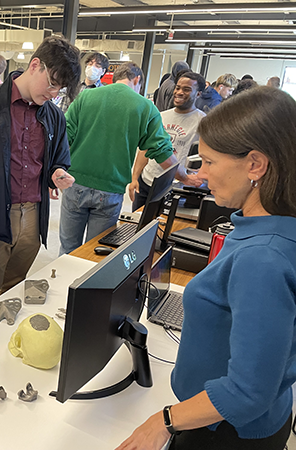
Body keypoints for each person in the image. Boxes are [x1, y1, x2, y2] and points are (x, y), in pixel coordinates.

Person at [116, 86, 296, 450]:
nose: (203, 175)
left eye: (210, 163)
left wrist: (163, 421)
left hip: (224, 431)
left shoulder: (263, 258)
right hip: (231, 417)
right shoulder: (268, 227)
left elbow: (247, 392)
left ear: (255, 165)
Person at [0, 36, 81, 307]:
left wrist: (57, 173)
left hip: (33, 217)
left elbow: (58, 158)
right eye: (52, 84)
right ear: (35, 65)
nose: (54, 93)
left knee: (15, 292)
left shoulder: (53, 116)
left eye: (60, 89)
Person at [59, 62, 176, 255]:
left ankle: (63, 283)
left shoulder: (86, 96)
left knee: (68, 248)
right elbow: (162, 153)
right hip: (110, 190)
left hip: (75, 183)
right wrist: (186, 177)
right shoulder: (145, 107)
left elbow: (64, 137)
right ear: (137, 79)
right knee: (95, 252)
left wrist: (54, 172)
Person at [129, 71, 206, 211]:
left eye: (187, 89)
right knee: (135, 227)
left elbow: (207, 156)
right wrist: (135, 178)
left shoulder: (203, 122)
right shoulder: (160, 116)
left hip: (175, 187)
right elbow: (144, 149)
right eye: (178, 88)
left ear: (198, 94)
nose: (180, 92)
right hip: (147, 182)